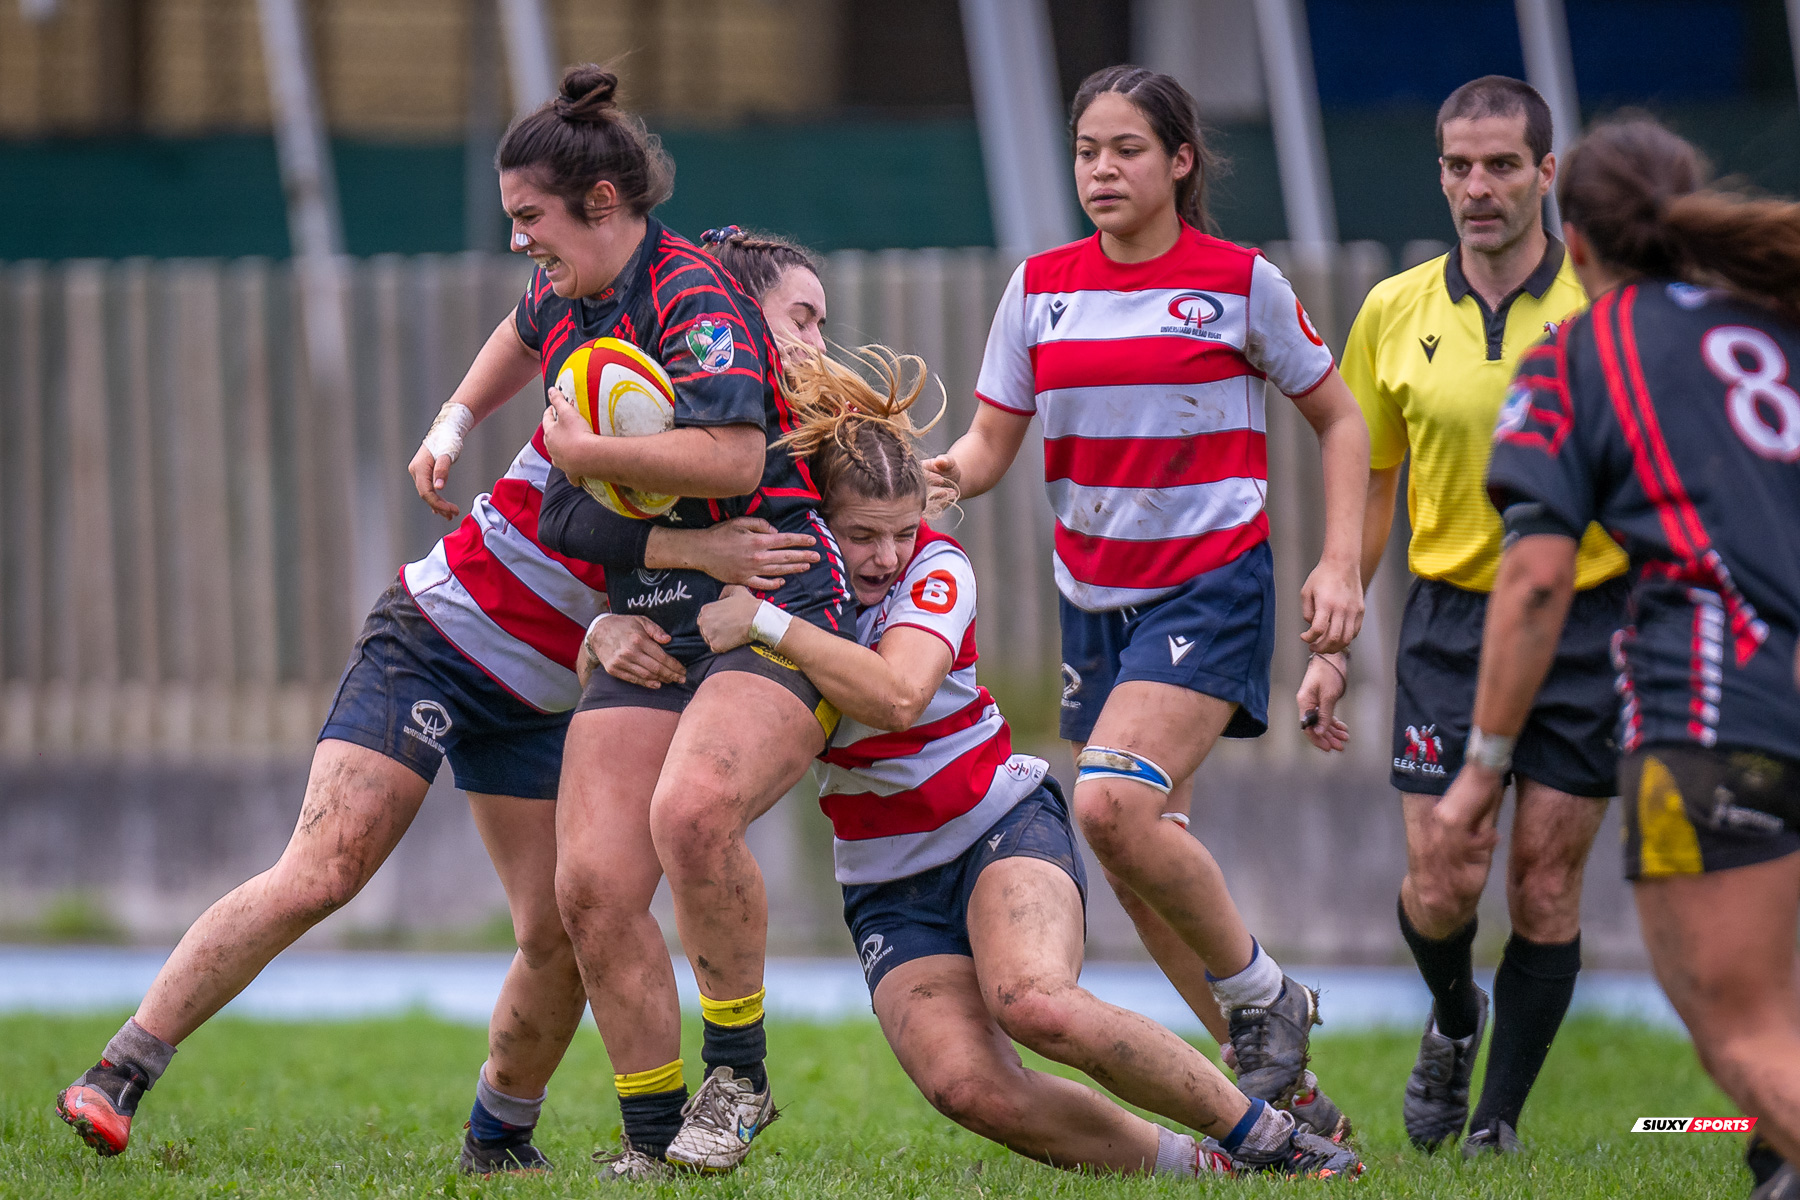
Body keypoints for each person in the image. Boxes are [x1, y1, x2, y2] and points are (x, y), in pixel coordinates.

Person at [50, 72, 816, 1178]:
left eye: (529, 220)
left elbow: (731, 498)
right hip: (440, 634)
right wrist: (455, 421)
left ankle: (498, 1140)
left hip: (553, 688)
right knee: (327, 867)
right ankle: (120, 1068)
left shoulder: (712, 340)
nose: (520, 244)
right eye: (515, 222)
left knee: (565, 926)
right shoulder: (594, 299)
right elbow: (522, 337)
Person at [686, 345, 1365, 1181]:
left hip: (997, 827)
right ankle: (1205, 1171)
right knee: (967, 1087)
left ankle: (1271, 1140)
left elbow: (898, 696)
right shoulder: (787, 580)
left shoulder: (934, 571)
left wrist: (765, 624)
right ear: (817, 520)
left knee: (1034, 1002)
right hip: (885, 879)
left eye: (901, 531)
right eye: (861, 535)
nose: (886, 557)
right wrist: (614, 627)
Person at [924, 64, 1369, 1114]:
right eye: (1087, 150)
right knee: (1137, 852)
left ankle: (1268, 998)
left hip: (1209, 583)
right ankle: (1286, 1105)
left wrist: (1340, 563)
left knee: (1114, 805)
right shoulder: (1039, 288)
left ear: (1178, 162)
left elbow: (1341, 420)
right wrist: (934, 481)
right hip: (1092, 596)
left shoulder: (1239, 281)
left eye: (1127, 149)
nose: (1102, 169)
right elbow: (990, 445)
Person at [1434, 115, 1800, 1198]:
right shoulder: (1778, 328)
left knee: (1745, 1040)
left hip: (1718, 715)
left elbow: (1540, 578)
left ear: (1573, 238)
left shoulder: (1576, 356)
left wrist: (1485, 760)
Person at [512, 79, 856, 1175]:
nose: (815, 344)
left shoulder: (731, 337)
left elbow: (752, 475)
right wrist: (640, 585)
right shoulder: (601, 323)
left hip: (774, 617)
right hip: (653, 627)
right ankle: (658, 1144)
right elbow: (560, 506)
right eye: (801, 318)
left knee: (692, 808)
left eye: (531, 221)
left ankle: (739, 1073)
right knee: (590, 888)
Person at [1333, 76, 1628, 1155]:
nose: (1478, 186)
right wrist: (1336, 619)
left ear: (1548, 173)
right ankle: (1455, 1019)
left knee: (1545, 880)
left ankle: (1495, 1122)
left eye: (1503, 164)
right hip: (1450, 621)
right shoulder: (1394, 309)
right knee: (1445, 874)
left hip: (1590, 625)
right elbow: (1368, 477)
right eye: (1459, 165)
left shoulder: (1607, 305)